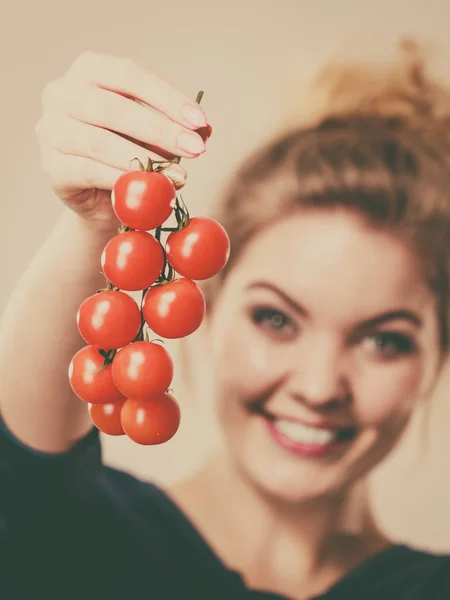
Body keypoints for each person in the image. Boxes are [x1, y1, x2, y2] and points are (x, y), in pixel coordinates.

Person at [1, 41, 450, 600]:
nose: (317, 387)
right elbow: (16, 475)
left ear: (437, 361)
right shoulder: (75, 541)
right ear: (207, 309)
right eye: (276, 319)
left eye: (385, 340)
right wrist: (96, 222)